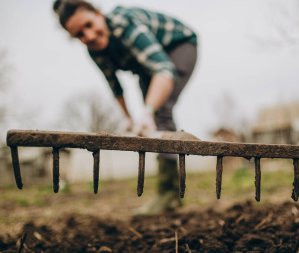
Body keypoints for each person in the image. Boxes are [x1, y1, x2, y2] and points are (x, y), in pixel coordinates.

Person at [53, 0, 198, 214]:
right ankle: (168, 195)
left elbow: (163, 70)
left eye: (89, 25)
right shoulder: (94, 51)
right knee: (154, 117)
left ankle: (169, 194)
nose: (89, 36)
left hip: (178, 46)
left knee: (160, 113)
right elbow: (115, 87)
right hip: (145, 67)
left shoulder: (124, 24)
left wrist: (147, 113)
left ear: (99, 14)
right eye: (80, 35)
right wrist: (128, 119)